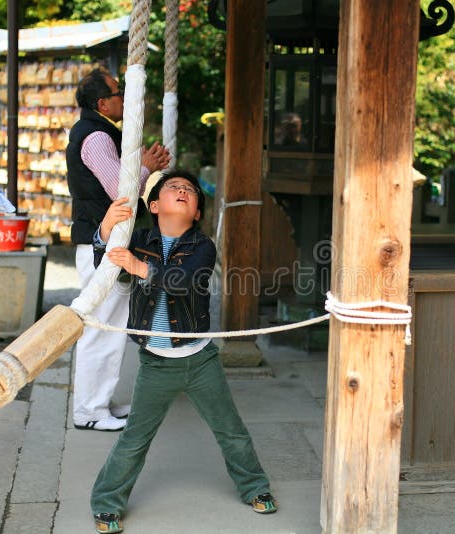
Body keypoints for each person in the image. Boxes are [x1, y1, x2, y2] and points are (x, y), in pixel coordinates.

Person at [88, 171, 277, 534]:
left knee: (231, 431)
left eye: (190, 191)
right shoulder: (138, 239)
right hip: (155, 364)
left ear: (195, 214)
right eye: (173, 188)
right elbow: (108, 269)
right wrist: (105, 231)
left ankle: (255, 487)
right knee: (134, 439)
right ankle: (106, 502)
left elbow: (183, 280)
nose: (182, 191)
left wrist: (139, 267)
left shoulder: (202, 246)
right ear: (154, 206)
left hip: (200, 359)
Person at [67, 67, 170, 432]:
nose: (123, 97)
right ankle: (90, 411)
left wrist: (142, 165)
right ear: (101, 103)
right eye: (117, 92)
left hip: (104, 242)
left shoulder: (97, 131)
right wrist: (145, 165)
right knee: (101, 328)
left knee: (110, 326)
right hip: (99, 242)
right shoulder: (95, 136)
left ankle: (100, 403)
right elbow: (119, 191)